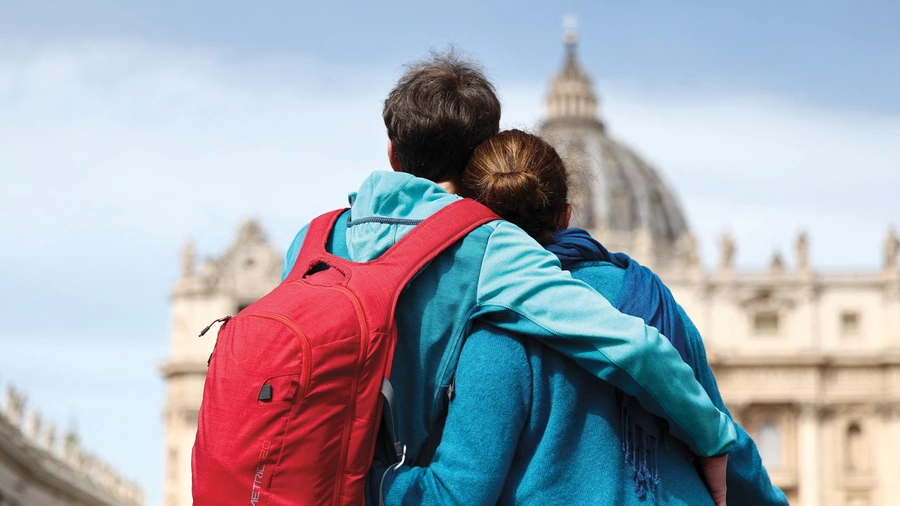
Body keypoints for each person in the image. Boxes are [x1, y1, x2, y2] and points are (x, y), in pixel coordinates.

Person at [280, 52, 735, 501]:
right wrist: (713, 436)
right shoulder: (487, 246)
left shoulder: (311, 239)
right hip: (393, 478)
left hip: (296, 464)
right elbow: (628, 346)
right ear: (481, 159)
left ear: (392, 152)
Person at [376, 130, 788, 505]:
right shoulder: (656, 299)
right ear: (566, 215)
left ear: (476, 221)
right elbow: (724, 438)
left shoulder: (495, 329)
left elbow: (456, 494)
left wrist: (365, 475)